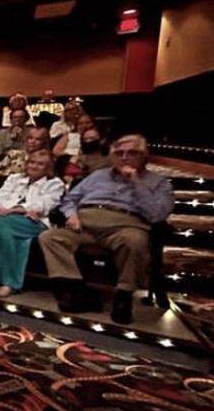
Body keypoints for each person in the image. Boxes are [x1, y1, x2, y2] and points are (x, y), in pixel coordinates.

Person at [38, 135, 173, 324]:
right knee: (50, 237)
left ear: (144, 156)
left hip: (125, 225)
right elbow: (70, 199)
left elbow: (158, 214)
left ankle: (123, 297)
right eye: (119, 153)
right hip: (84, 223)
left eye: (131, 153)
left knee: (134, 242)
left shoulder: (158, 183)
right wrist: (71, 214)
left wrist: (136, 182)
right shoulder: (98, 175)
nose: (124, 157)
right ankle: (76, 291)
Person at [0, 150, 65, 297]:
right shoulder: (14, 178)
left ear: (48, 167)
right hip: (4, 218)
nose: (34, 166)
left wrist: (16, 210)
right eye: (32, 162)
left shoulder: (55, 183)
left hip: (35, 223)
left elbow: (44, 205)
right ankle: (8, 282)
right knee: (4, 228)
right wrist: (14, 210)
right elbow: (2, 196)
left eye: (40, 164)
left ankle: (3, 279)